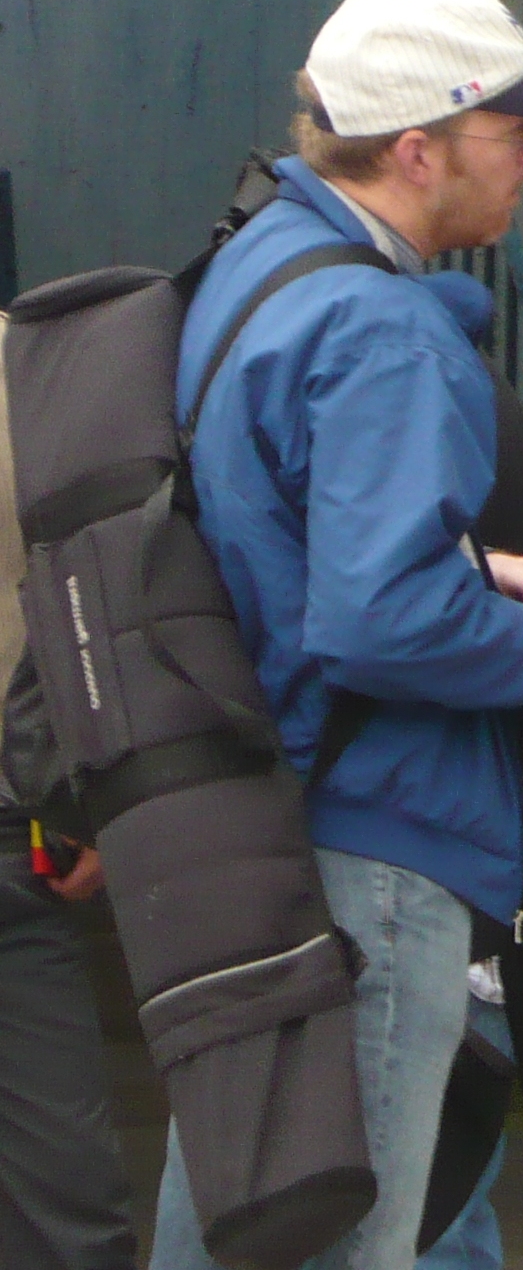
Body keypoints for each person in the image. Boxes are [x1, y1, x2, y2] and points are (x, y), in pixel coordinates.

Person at [148, 0, 523, 1270]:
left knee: (239, 1220)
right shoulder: (380, 327)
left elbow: (285, 537)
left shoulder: (261, 268)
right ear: (418, 149)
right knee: (352, 1238)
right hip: (379, 848)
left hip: (274, 815)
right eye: (513, 127)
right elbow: (378, 616)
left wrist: (474, 565)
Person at [0, 315, 138, 1270]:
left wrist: (90, 791)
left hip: (18, 837)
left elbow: (93, 582)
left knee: (70, 1198)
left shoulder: (31, 364)